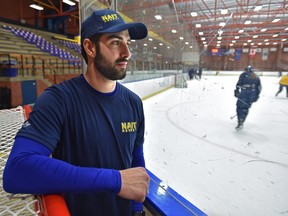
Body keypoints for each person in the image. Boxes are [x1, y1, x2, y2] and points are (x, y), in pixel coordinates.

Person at [3, 9, 150, 216]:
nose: (127, 53)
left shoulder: (134, 103)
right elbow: (17, 170)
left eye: (128, 43)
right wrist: (115, 181)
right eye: (116, 42)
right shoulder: (58, 99)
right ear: (89, 48)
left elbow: (136, 161)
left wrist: (136, 210)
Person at [234, 65, 262, 130]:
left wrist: (236, 91)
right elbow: (259, 87)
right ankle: (242, 120)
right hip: (252, 93)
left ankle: (240, 120)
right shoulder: (255, 76)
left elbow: (239, 84)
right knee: (246, 108)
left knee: (239, 107)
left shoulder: (243, 74)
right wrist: (257, 95)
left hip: (244, 93)